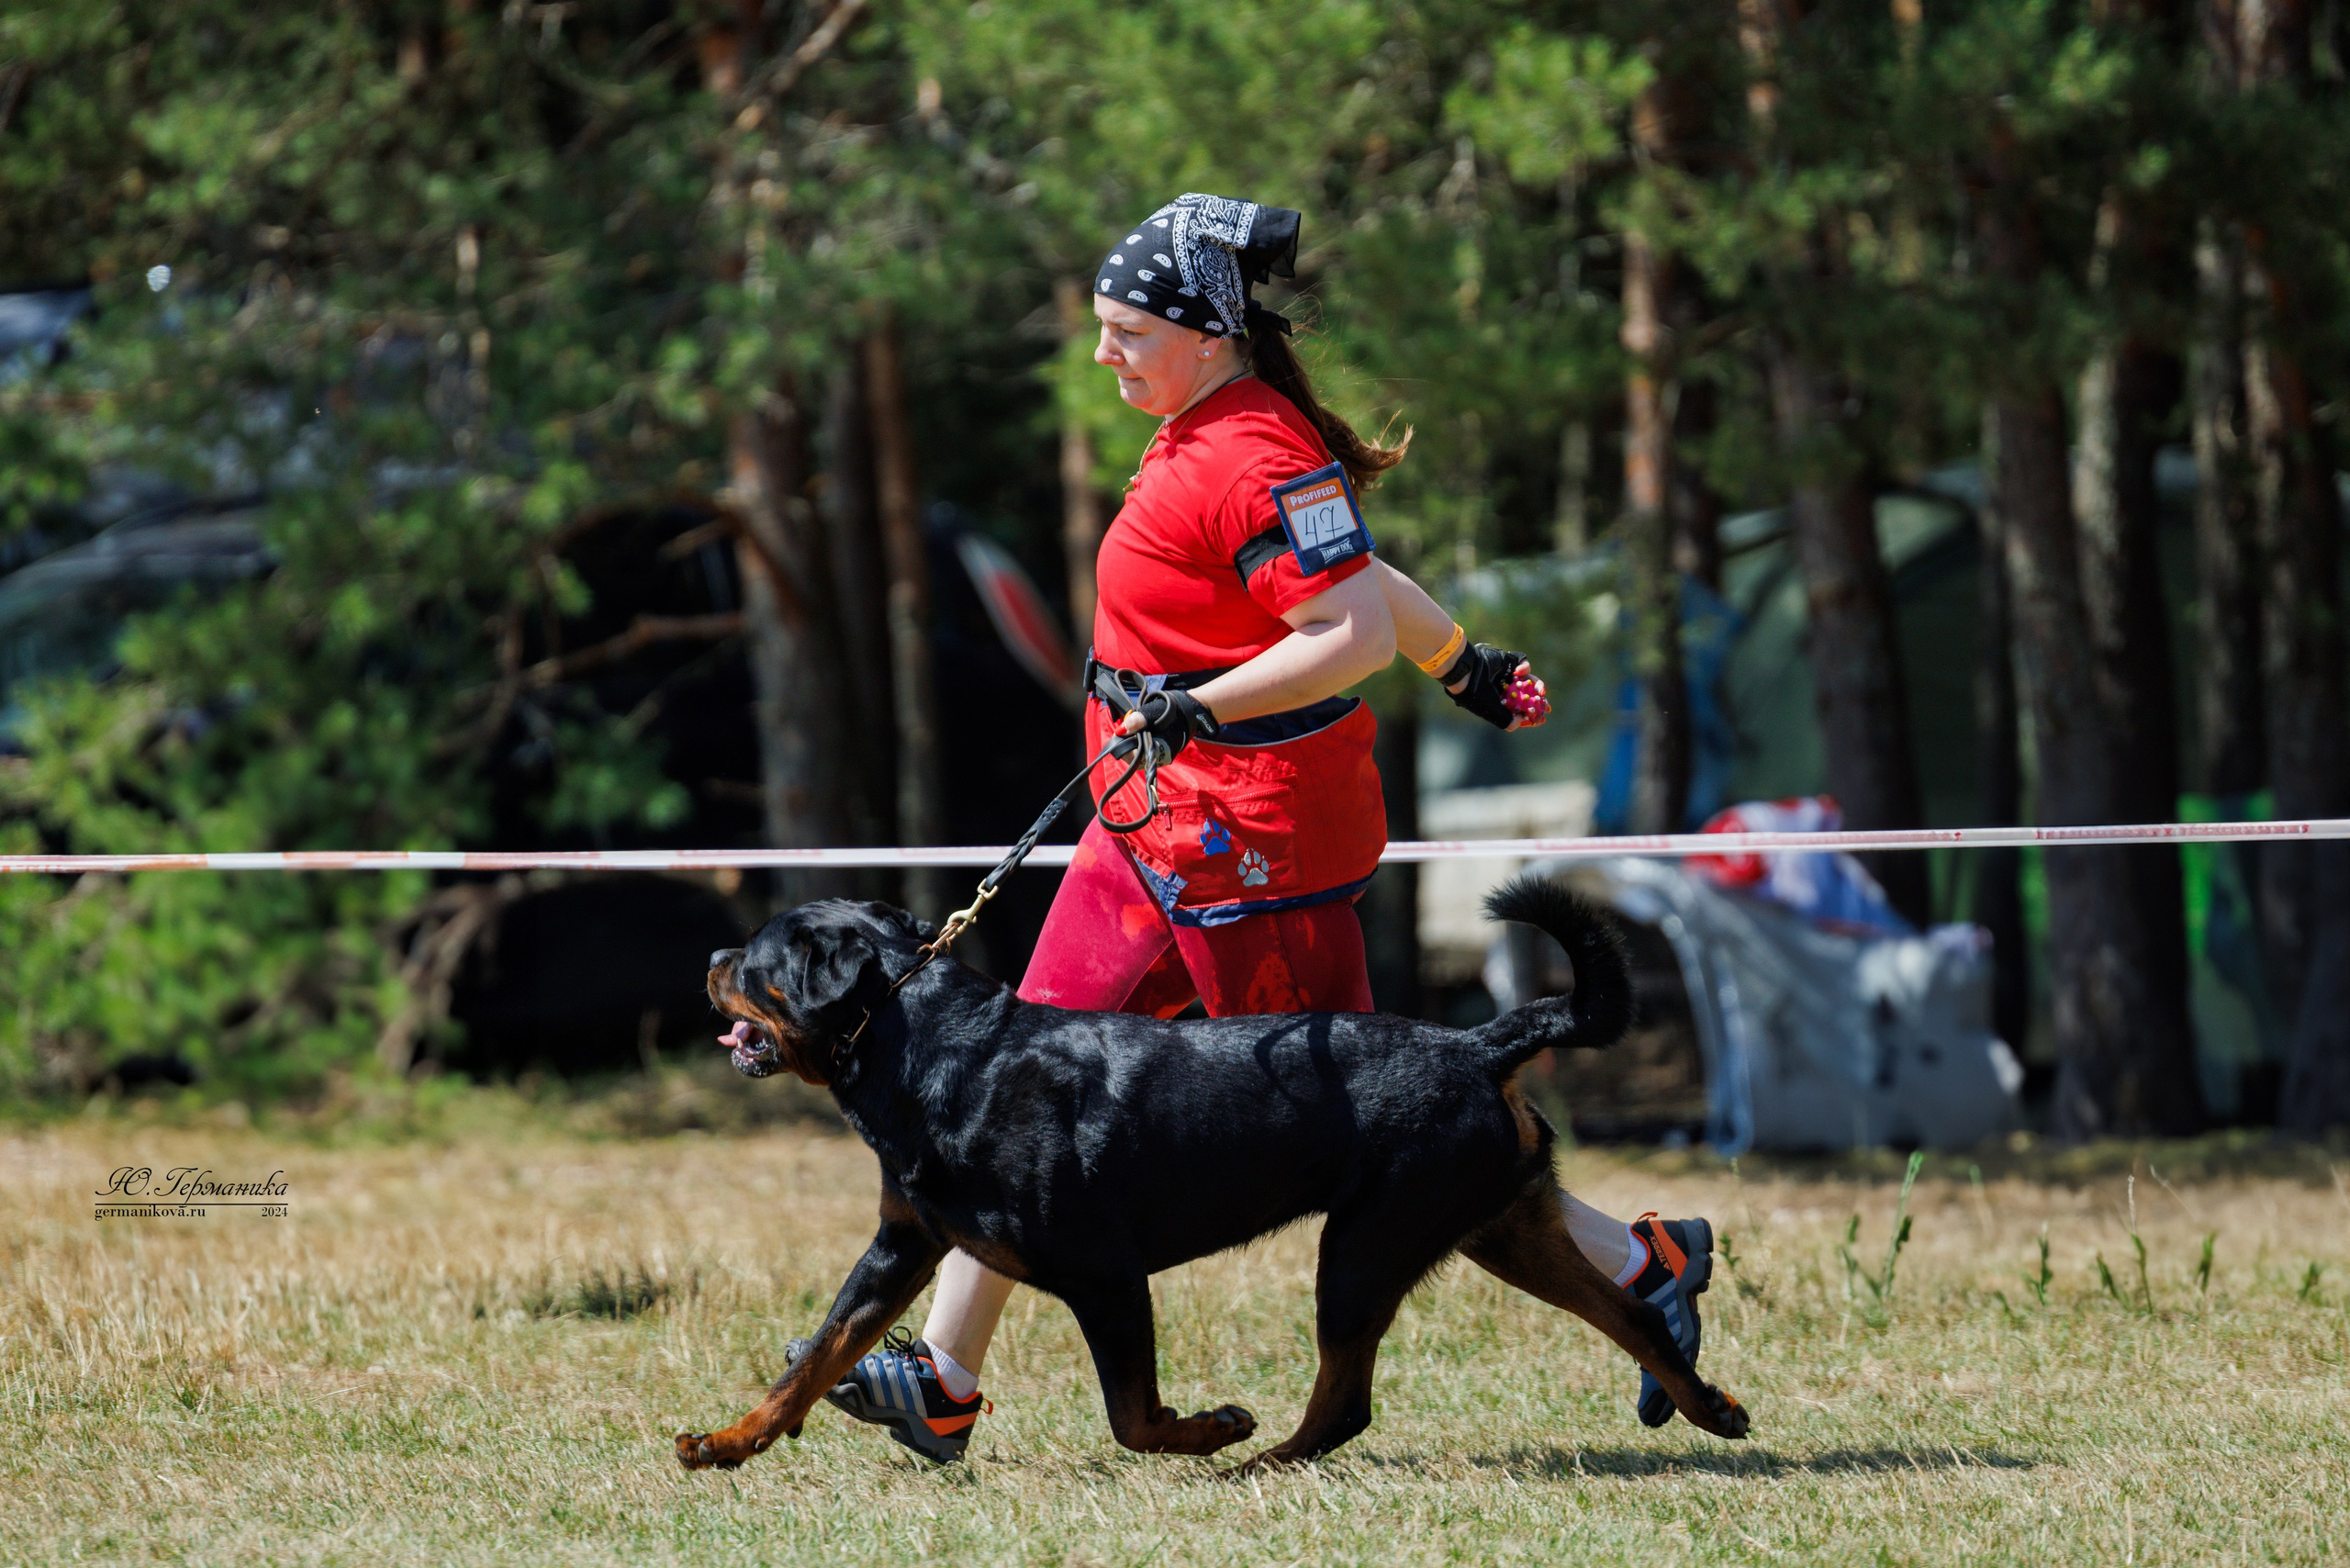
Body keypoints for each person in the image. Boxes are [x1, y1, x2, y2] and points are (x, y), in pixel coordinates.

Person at [796, 194, 1712, 1462]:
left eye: (1125, 331)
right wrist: (1464, 664)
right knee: (1010, 1091)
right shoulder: (1199, 429)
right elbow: (1367, 593)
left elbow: (1344, 629)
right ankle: (944, 1373)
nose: (1102, 354)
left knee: (1385, 1117)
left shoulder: (1262, 454)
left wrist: (1199, 707)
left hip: (1251, 844)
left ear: (1209, 335)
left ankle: (1640, 1258)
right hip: (1149, 822)